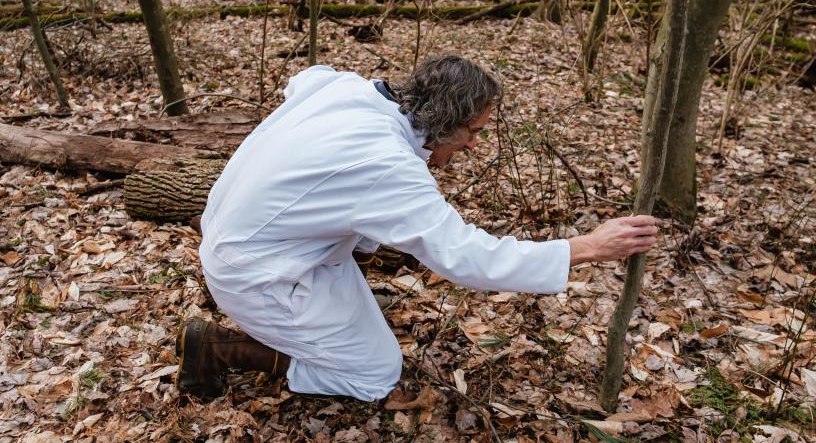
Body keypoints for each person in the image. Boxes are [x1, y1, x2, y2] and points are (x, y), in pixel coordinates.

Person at [177, 56, 659, 400]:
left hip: (247, 239)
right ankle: (219, 348)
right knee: (374, 374)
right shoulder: (387, 164)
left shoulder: (344, 88)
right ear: (445, 120)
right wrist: (587, 246)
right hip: (255, 272)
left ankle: (319, 313)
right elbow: (468, 257)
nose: (473, 144)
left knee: (365, 269)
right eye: (473, 131)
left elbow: (304, 79)